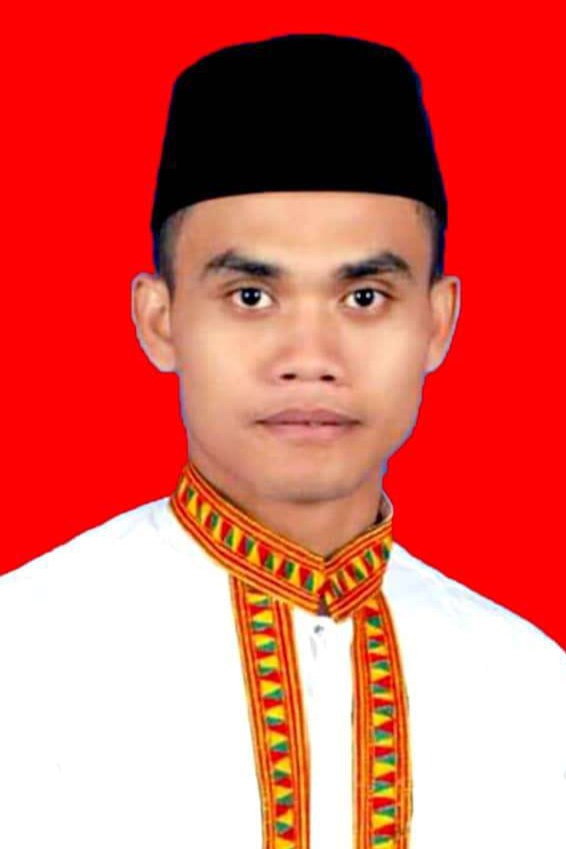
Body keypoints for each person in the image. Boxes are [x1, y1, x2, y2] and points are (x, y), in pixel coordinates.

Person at [1, 33, 564, 849]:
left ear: (438, 323)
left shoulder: (530, 689)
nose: (309, 357)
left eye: (364, 297)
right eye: (252, 296)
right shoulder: (25, 657)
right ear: (160, 320)